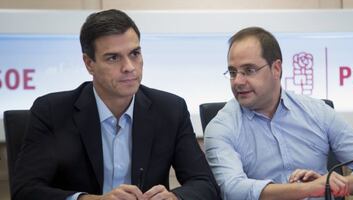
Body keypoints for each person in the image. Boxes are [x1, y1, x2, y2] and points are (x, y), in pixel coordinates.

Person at [12, 9, 220, 200]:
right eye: (113, 58)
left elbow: (205, 184)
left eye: (134, 54)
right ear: (89, 63)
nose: (129, 67)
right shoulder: (51, 111)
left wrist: (176, 197)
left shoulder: (170, 109)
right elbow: (25, 190)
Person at [204, 27, 353, 200]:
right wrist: (309, 190)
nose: (237, 81)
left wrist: (331, 184)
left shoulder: (317, 112)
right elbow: (233, 190)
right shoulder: (221, 127)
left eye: (249, 70)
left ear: (276, 69)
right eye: (232, 72)